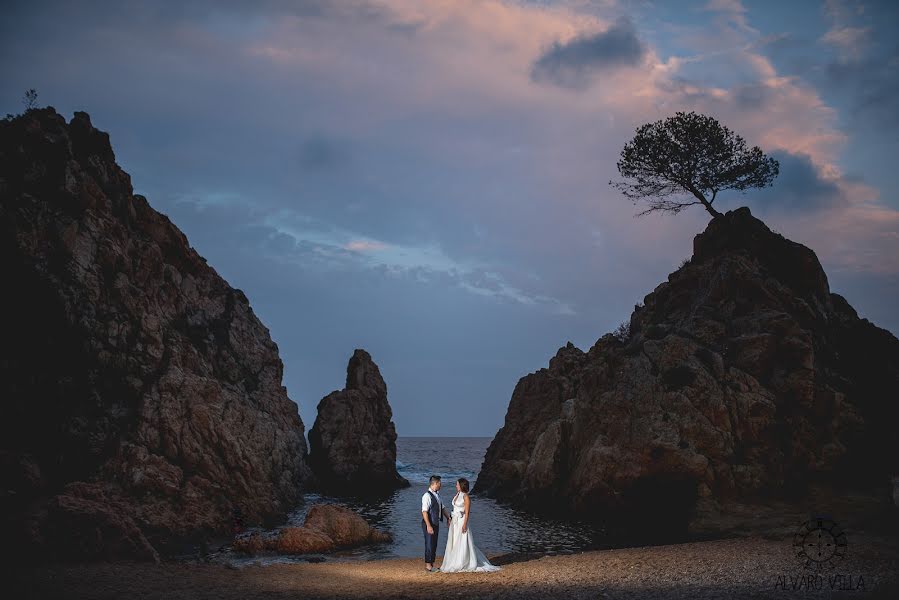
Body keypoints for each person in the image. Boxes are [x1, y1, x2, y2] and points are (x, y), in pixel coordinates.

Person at [440, 478, 501, 573]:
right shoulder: (457, 494)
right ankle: (454, 560)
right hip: (455, 522)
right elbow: (455, 508)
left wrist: (464, 524)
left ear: (461, 485)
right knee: (455, 540)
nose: (456, 486)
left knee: (462, 541)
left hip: (461, 521)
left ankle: (463, 561)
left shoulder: (466, 497)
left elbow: (467, 513)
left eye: (457, 484)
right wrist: (450, 520)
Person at [421, 475, 452, 572]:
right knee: (429, 544)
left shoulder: (437, 495)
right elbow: (424, 512)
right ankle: (428, 566)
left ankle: (432, 564)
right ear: (434, 483)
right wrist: (429, 525)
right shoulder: (426, 496)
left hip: (436, 522)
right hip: (429, 523)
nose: (441, 485)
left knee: (434, 544)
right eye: (439, 483)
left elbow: (442, 508)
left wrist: (448, 518)